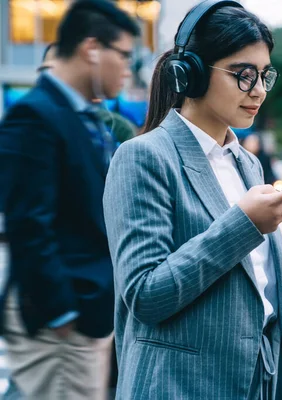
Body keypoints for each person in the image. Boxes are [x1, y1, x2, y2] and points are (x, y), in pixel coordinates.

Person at [102, 1, 282, 399]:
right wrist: (245, 225)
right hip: (179, 386)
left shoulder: (247, 164)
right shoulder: (143, 157)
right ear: (192, 74)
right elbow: (145, 295)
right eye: (244, 75)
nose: (259, 91)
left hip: (253, 382)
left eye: (265, 75)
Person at [0, 1, 139, 399]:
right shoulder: (35, 115)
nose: (128, 68)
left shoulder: (81, 115)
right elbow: (28, 222)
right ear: (92, 48)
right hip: (62, 321)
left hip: (84, 314)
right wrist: (63, 311)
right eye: (125, 55)